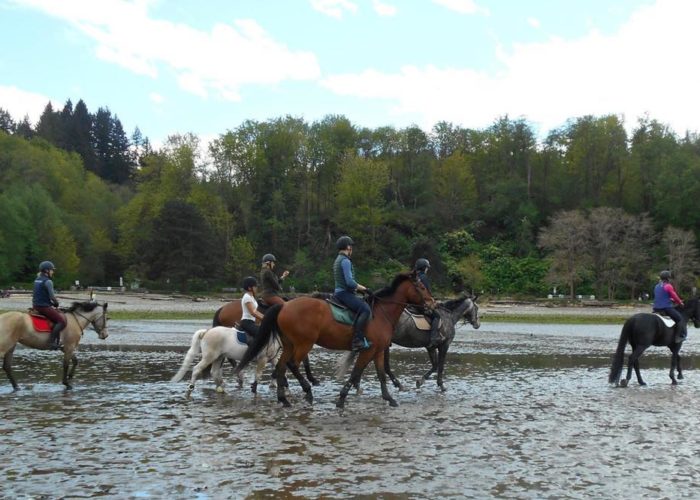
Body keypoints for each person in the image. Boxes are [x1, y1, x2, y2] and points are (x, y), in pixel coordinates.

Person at [333, 235, 372, 352]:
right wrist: (365, 289)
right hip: (344, 293)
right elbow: (350, 282)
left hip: (340, 292)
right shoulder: (345, 261)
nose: (352, 250)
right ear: (348, 247)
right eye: (351, 247)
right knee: (365, 309)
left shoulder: (337, 259)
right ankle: (357, 340)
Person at [32, 261, 66, 350]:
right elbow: (52, 296)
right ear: (46, 270)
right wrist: (56, 303)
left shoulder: (37, 279)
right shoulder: (48, 281)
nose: (53, 272)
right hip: (43, 307)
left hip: (35, 305)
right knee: (61, 321)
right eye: (52, 270)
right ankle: (52, 343)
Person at [652, 270, 686, 343]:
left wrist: (670, 299)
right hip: (665, 308)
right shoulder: (668, 286)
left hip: (655, 308)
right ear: (668, 278)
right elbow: (675, 296)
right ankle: (677, 337)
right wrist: (680, 302)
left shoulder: (656, 286)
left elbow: (661, 296)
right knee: (679, 318)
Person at [415, 258, 442, 347]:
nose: (427, 269)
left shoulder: (415, 277)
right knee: (437, 316)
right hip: (422, 304)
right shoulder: (423, 277)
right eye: (427, 268)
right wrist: (433, 301)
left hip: (413, 302)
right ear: (424, 268)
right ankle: (433, 338)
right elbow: (426, 292)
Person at [239, 276, 265, 343]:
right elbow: (253, 312)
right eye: (255, 286)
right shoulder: (247, 297)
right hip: (247, 322)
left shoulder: (252, 297)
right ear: (249, 288)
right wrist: (265, 318)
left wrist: (265, 317)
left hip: (251, 322)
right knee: (261, 334)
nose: (256, 288)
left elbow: (256, 311)